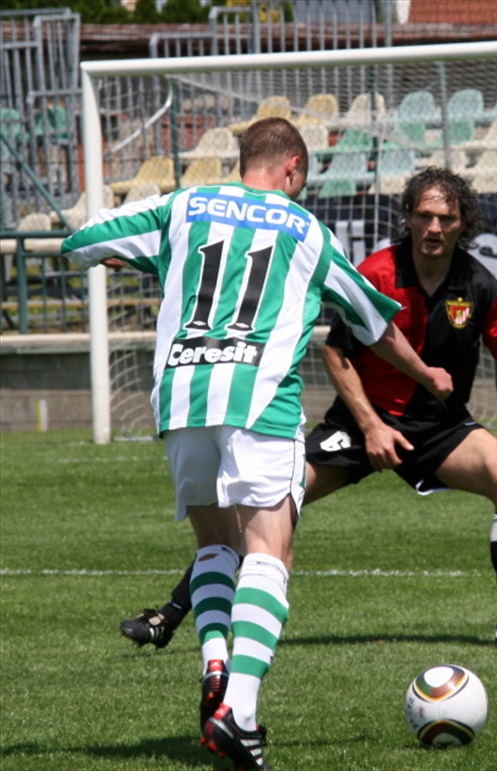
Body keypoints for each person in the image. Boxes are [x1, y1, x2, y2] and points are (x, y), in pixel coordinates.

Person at [62, 118, 453, 771]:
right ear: (293, 167)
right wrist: (427, 374)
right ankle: (239, 711)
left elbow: (82, 240)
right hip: (260, 399)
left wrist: (141, 252)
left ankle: (216, 664)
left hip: (183, 398)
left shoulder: (182, 206)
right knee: (271, 549)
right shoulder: (309, 232)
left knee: (216, 545)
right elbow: (371, 320)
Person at [121, 165, 497, 658]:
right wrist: (370, 426)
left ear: (463, 224)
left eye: (446, 219)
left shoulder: (480, 284)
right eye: (424, 216)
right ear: (408, 218)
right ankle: (170, 615)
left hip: (441, 430)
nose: (434, 228)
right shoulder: (378, 272)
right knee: (266, 506)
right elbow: (336, 352)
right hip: (358, 425)